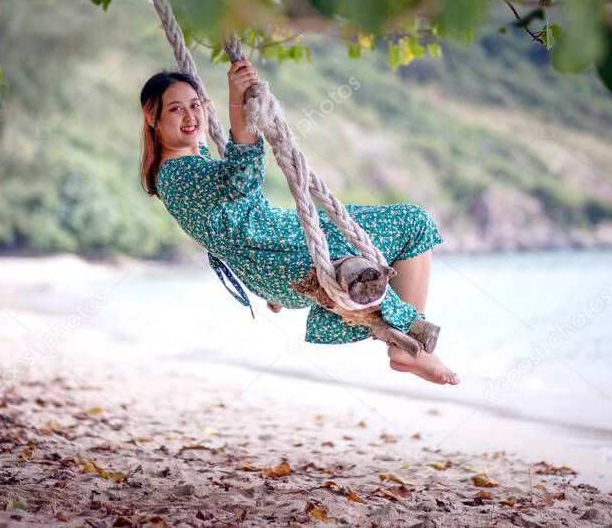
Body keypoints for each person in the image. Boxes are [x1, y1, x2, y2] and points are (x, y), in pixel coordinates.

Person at [139, 62, 459, 385]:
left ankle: (406, 339)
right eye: (176, 109)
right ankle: (413, 341)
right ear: (153, 118)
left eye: (195, 105)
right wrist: (237, 102)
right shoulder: (180, 174)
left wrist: (204, 120)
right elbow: (243, 176)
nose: (190, 116)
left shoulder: (180, 165)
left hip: (274, 254)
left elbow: (206, 152)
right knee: (414, 222)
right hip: (283, 252)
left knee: (405, 228)